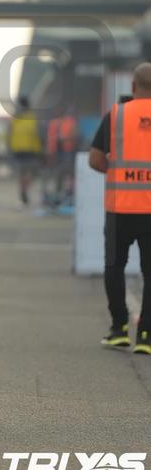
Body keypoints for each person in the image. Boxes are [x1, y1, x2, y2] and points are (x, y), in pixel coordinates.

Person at [89, 62, 151, 356]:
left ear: (133, 86)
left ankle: (119, 330)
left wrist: (118, 173)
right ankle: (147, 335)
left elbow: (95, 159)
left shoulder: (117, 115)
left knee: (114, 267)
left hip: (120, 210)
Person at [8, 96, 43, 208]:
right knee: (22, 174)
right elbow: (10, 135)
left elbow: (38, 135)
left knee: (28, 174)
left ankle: (24, 191)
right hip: (19, 151)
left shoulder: (31, 119)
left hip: (30, 150)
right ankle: (23, 193)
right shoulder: (16, 120)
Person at [46, 106, 79, 207]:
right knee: (59, 175)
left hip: (67, 151)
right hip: (57, 152)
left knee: (68, 174)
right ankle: (59, 195)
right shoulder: (54, 123)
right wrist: (50, 152)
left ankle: (68, 195)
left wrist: (65, 139)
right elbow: (51, 139)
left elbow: (75, 136)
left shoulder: (70, 122)